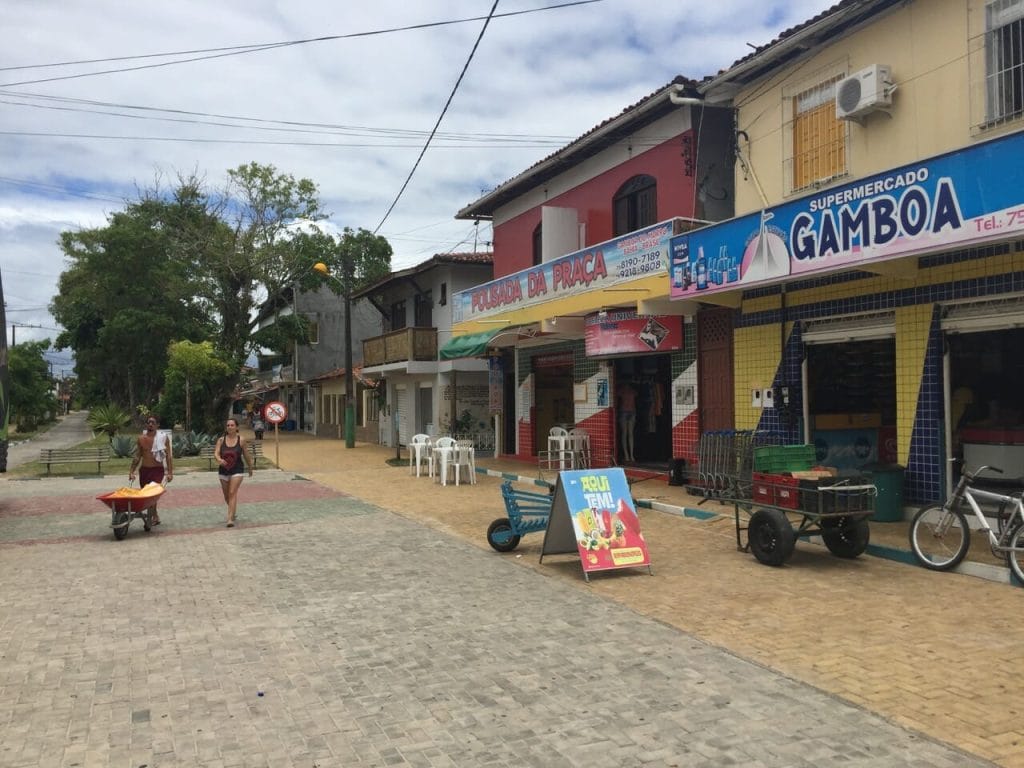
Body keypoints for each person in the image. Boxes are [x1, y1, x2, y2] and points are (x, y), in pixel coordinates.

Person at [128, 415, 173, 525]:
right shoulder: (141, 439)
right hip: (144, 471)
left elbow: (168, 456)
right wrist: (131, 471)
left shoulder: (163, 438)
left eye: (153, 422)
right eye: (149, 422)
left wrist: (170, 472)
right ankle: (155, 515)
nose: (150, 424)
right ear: (146, 425)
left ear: (157, 425)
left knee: (152, 494)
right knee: (146, 495)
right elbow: (137, 456)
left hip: (157, 470)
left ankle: (152, 517)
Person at [214, 417, 253, 527]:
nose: (230, 427)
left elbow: (246, 454)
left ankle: (230, 519)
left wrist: (250, 467)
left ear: (236, 427)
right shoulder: (221, 440)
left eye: (232, 425)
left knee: (232, 492)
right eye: (228, 425)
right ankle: (233, 511)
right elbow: (216, 453)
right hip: (223, 471)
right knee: (226, 495)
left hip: (237, 470)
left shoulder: (241, 440)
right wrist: (219, 460)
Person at [618, 381, 637, 463]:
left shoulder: (624, 390)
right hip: (628, 412)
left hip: (628, 412)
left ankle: (630, 455)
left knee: (628, 434)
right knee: (627, 434)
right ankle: (628, 455)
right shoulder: (629, 391)